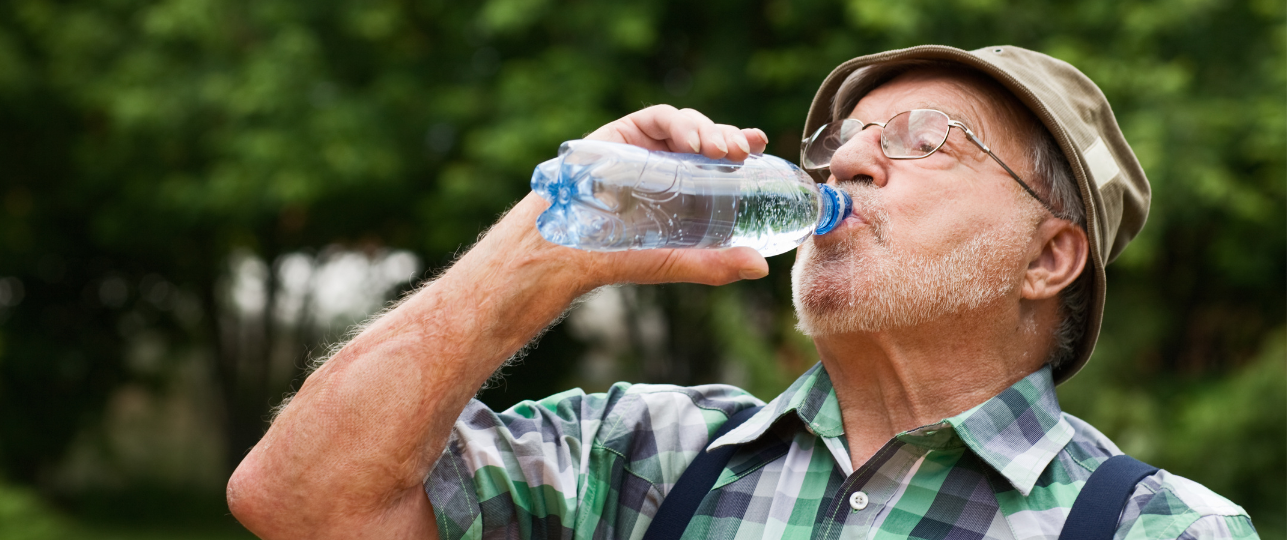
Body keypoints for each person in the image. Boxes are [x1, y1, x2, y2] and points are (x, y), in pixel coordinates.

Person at [225, 45, 1258, 539]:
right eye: (844, 140)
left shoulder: (1155, 530)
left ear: (1049, 260)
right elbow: (301, 503)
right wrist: (548, 245)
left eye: (924, 142)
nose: (847, 163)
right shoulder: (636, 456)